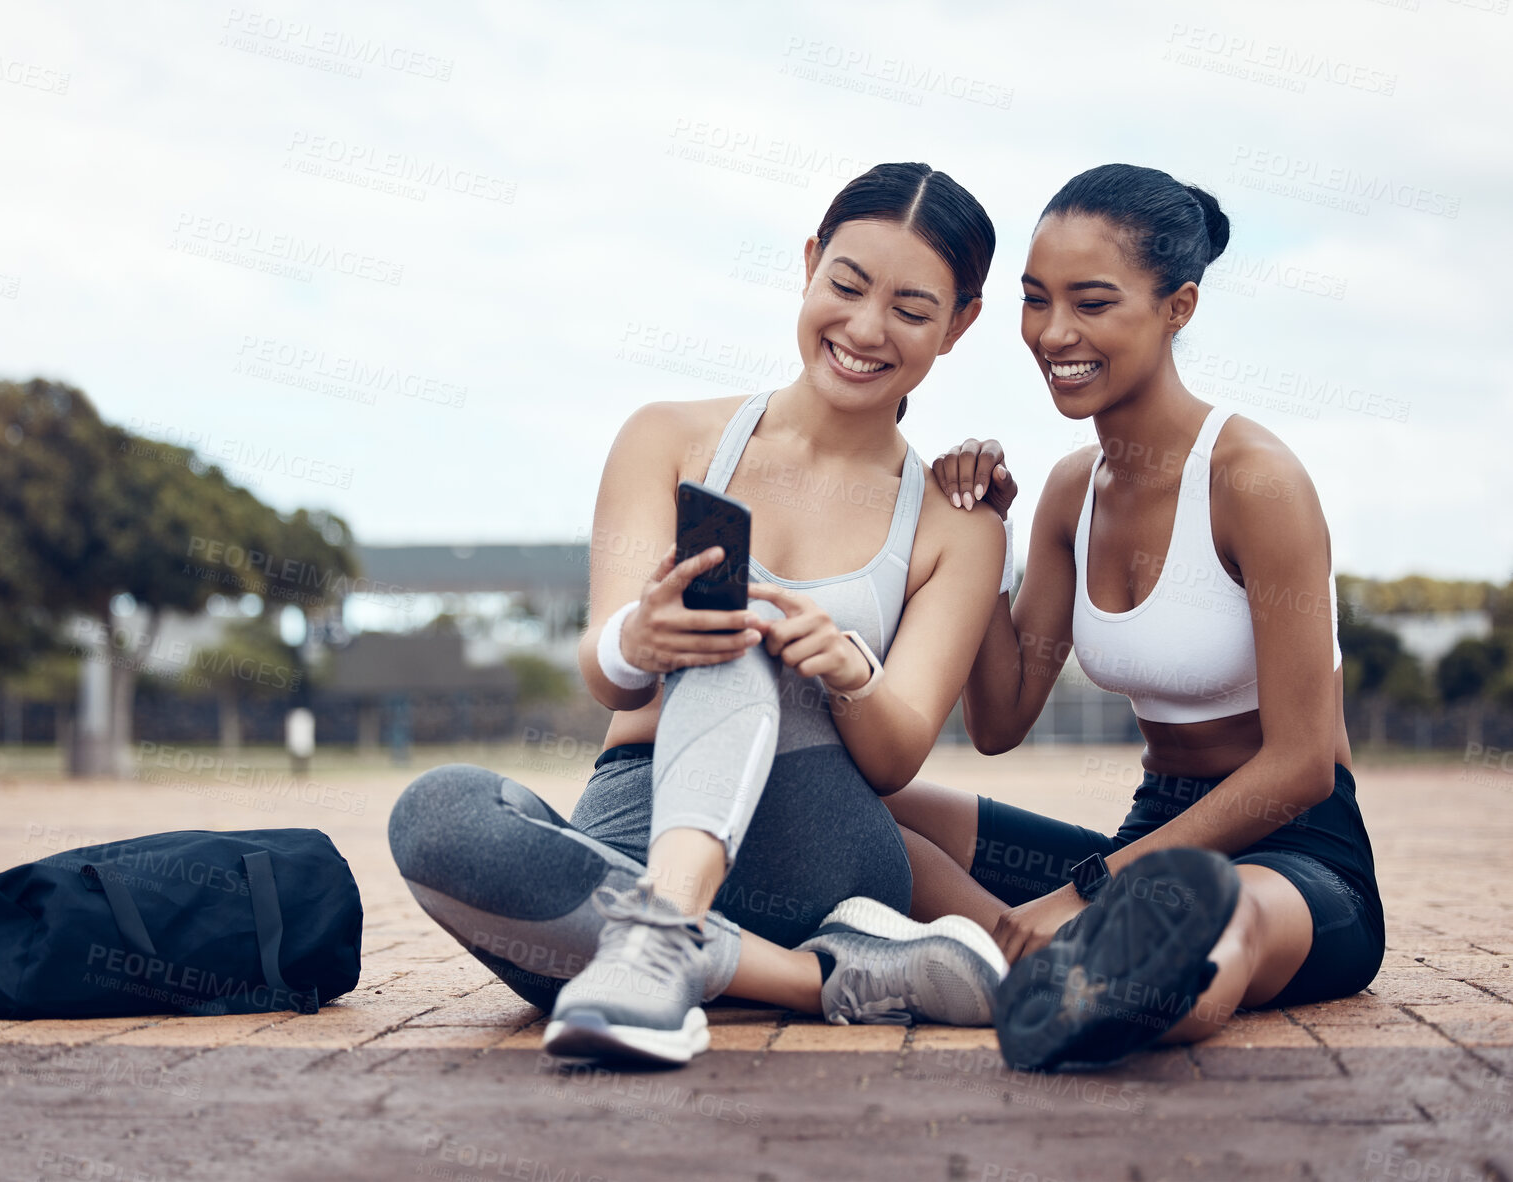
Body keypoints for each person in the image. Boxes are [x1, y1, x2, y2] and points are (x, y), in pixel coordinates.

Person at [389, 162, 1012, 1066]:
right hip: (632, 822)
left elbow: (898, 751)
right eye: (846, 285)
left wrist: (847, 669)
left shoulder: (957, 525)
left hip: (815, 846)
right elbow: (606, 671)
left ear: (959, 324)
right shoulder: (669, 437)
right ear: (809, 265)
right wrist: (640, 637)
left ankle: (660, 941)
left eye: (912, 310)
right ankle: (808, 976)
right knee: (438, 818)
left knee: (733, 623)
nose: (866, 329)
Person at [875, 163, 1383, 1072]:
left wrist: (1093, 889)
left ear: (1178, 307)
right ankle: (1015, 953)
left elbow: (1304, 767)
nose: (1055, 333)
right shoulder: (1073, 492)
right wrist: (977, 533)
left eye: (1093, 302)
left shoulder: (1253, 481)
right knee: (872, 800)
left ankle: (1120, 991)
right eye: (1036, 301)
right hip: (1152, 834)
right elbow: (1000, 720)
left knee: (1223, 913)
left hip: (1300, 859)